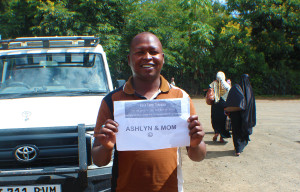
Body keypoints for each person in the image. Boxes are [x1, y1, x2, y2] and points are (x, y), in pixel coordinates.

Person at [92, 32, 206, 192]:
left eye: (153, 52)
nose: (147, 57)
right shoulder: (111, 101)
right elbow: (98, 161)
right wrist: (106, 147)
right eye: (140, 52)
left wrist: (196, 143)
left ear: (163, 58)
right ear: (129, 59)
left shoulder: (180, 98)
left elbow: (198, 156)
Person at [224, 74, 256, 156]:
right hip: (245, 115)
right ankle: (240, 147)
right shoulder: (249, 89)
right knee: (242, 130)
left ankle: (237, 149)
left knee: (236, 131)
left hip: (235, 114)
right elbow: (251, 104)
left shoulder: (236, 87)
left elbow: (230, 100)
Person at [206, 71, 231, 142]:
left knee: (215, 119)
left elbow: (208, 91)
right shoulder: (227, 85)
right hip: (224, 105)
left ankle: (216, 132)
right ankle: (222, 137)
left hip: (215, 105)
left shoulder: (213, 84)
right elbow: (230, 94)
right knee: (223, 120)